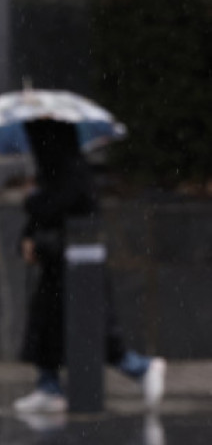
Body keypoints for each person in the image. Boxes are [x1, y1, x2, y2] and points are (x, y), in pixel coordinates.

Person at [13, 118, 165, 414]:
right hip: (57, 266)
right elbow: (40, 219)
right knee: (47, 327)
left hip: (77, 267)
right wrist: (27, 241)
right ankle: (48, 386)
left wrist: (33, 205)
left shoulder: (73, 174)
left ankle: (142, 368)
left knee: (94, 331)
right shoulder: (54, 174)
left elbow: (60, 215)